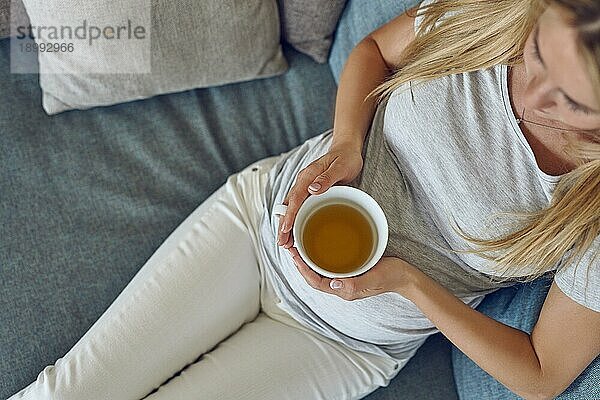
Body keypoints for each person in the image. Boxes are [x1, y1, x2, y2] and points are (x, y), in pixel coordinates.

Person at [9, 0, 599, 399]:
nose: (533, 97)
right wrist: (348, 142)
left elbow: (541, 374)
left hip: (341, 345)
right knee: (69, 391)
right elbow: (374, 50)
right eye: (538, 55)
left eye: (572, 101)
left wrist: (411, 284)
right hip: (257, 224)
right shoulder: (489, 16)